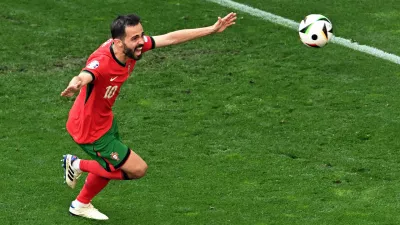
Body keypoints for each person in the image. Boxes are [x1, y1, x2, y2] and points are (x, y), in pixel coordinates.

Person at [60, 12, 237, 220]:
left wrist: (212, 29)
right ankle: (76, 164)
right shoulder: (103, 61)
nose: (141, 42)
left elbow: (170, 38)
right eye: (134, 38)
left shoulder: (130, 49)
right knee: (137, 169)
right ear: (117, 42)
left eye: (141, 35)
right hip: (89, 129)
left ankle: (80, 204)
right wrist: (76, 82)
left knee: (113, 164)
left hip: (104, 119)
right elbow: (87, 74)